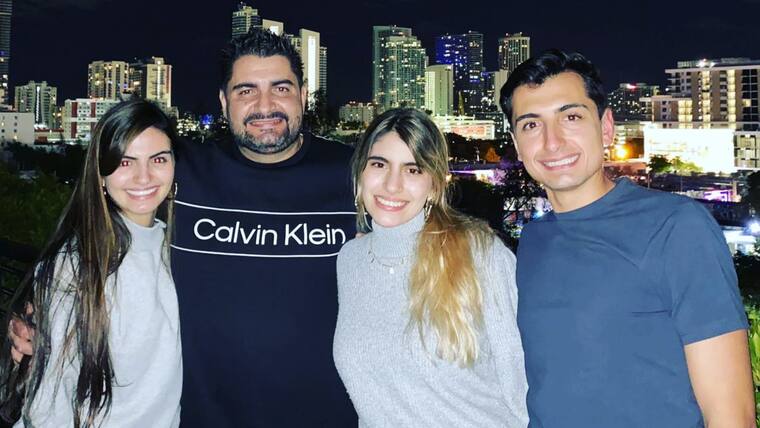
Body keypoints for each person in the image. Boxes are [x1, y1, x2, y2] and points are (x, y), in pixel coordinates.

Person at [9, 29, 357, 427]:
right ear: (224, 102)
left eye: (281, 88)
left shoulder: (355, 175)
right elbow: (109, 217)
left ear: (303, 94)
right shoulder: (181, 168)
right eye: (246, 91)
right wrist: (41, 312)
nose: (265, 105)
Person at [499, 49, 755, 427]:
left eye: (571, 117)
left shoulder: (676, 227)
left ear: (606, 128)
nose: (552, 142)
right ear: (517, 143)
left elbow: (732, 416)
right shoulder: (534, 239)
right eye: (531, 125)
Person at [333, 108, 528, 427]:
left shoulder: (480, 253)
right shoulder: (350, 261)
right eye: (379, 164)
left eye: (413, 170)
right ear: (360, 172)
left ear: (434, 185)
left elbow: (519, 381)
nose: (392, 185)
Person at [1, 99, 182, 427]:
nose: (144, 177)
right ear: (100, 174)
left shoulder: (177, 249)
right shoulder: (76, 265)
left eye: (158, 159)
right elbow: (48, 405)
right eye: (125, 162)